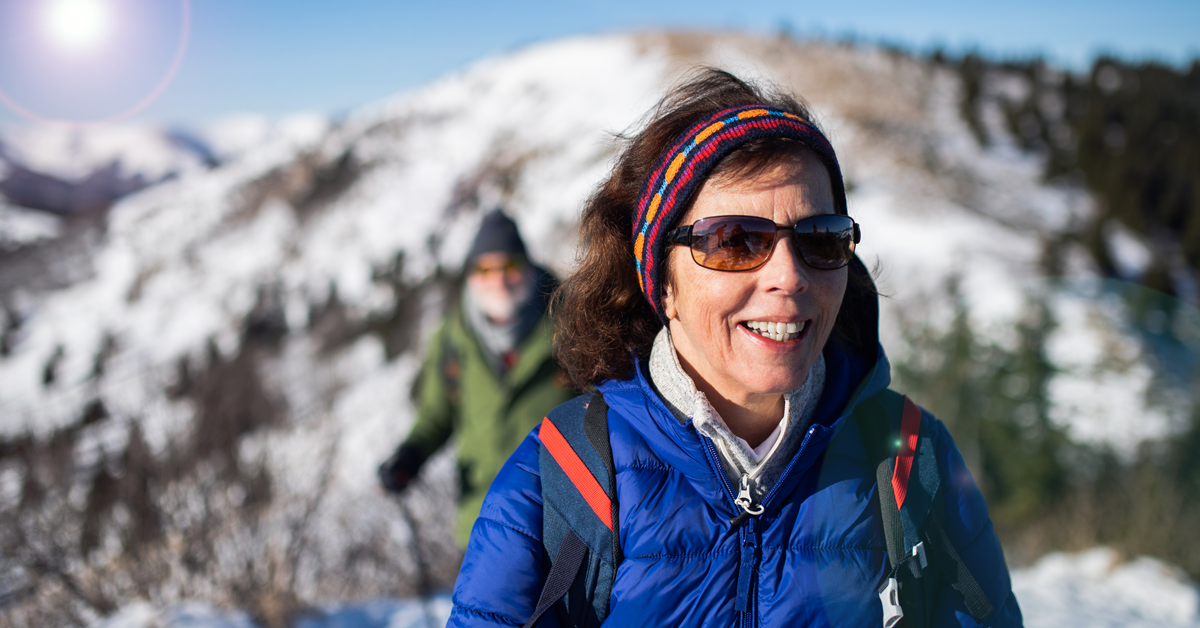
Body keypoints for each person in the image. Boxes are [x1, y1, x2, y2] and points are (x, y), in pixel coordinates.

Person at [447, 70, 1024, 627]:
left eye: (820, 240)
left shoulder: (908, 459)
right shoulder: (565, 476)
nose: (789, 276)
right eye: (736, 242)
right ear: (663, 285)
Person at [377, 209, 575, 547]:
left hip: (564, 519)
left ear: (527, 268)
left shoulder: (573, 322)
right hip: (484, 521)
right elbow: (436, 415)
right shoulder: (452, 338)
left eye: (509, 267)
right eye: (485, 268)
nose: (498, 280)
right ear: (470, 275)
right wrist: (409, 456)